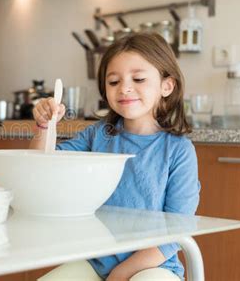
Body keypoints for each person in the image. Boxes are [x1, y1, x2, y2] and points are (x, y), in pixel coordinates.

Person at [31, 33, 200, 281]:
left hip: (154, 267)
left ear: (167, 86)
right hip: (95, 261)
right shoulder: (96, 136)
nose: (124, 88)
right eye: (113, 81)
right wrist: (45, 126)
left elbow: (177, 232)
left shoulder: (178, 151)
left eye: (139, 78)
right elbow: (40, 167)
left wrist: (121, 274)